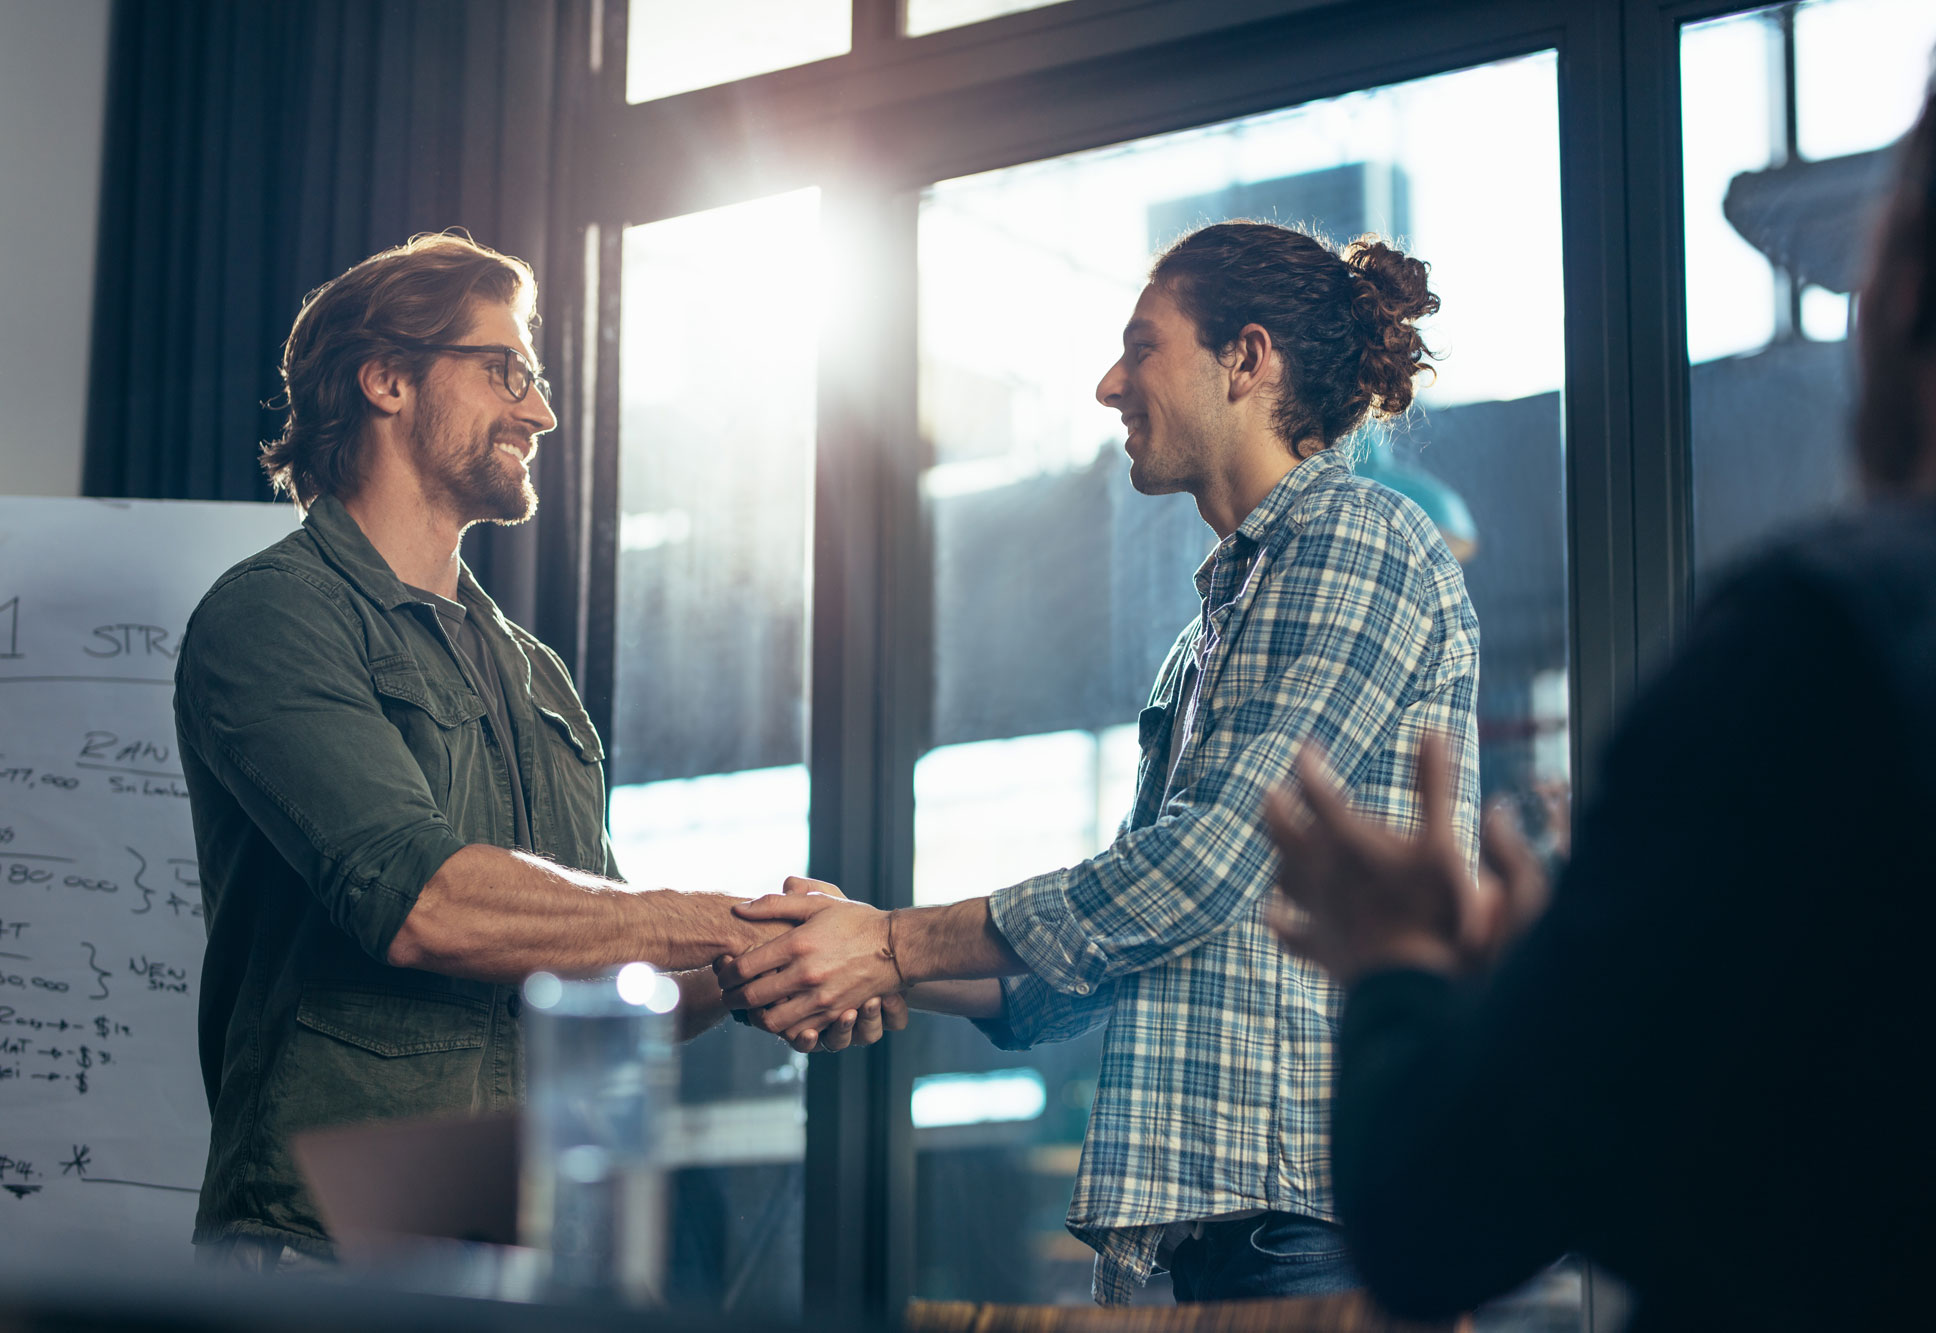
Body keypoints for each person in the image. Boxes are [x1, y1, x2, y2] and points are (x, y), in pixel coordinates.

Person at [1259, 88, 1936, 1332]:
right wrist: (1558, 998)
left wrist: (1400, 963)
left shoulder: (1808, 648)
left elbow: (1446, 1213)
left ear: (1890, 301)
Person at [721, 222, 1482, 1304]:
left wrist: (889, 945)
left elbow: (1203, 865)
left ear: (1246, 358)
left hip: (1311, 1223)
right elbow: (1104, 954)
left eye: (1141, 345)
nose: (1107, 383)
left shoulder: (1358, 542)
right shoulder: (1212, 629)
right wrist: (845, 947)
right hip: (1214, 1233)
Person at [175, 233, 890, 1271]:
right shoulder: (273, 618)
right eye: (505, 370)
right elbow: (425, 902)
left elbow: (598, 963)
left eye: (537, 377)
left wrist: (764, 969)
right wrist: (729, 922)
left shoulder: (529, 672)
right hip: (329, 1242)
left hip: (521, 1238)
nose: (540, 412)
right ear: (386, 380)